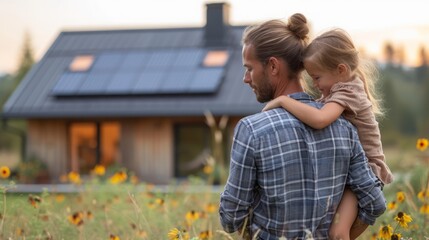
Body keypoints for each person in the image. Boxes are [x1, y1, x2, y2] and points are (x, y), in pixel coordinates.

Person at [219, 13, 386, 240]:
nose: (245, 78)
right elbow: (374, 203)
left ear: (273, 66)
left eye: (249, 68)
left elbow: (230, 218)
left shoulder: (251, 130)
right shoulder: (346, 127)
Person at [262, 28, 393, 239]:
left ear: (340, 70)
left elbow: (320, 119)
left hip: (367, 171)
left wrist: (283, 101)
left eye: (317, 77)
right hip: (353, 168)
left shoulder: (347, 92)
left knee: (338, 232)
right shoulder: (344, 88)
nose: (315, 84)